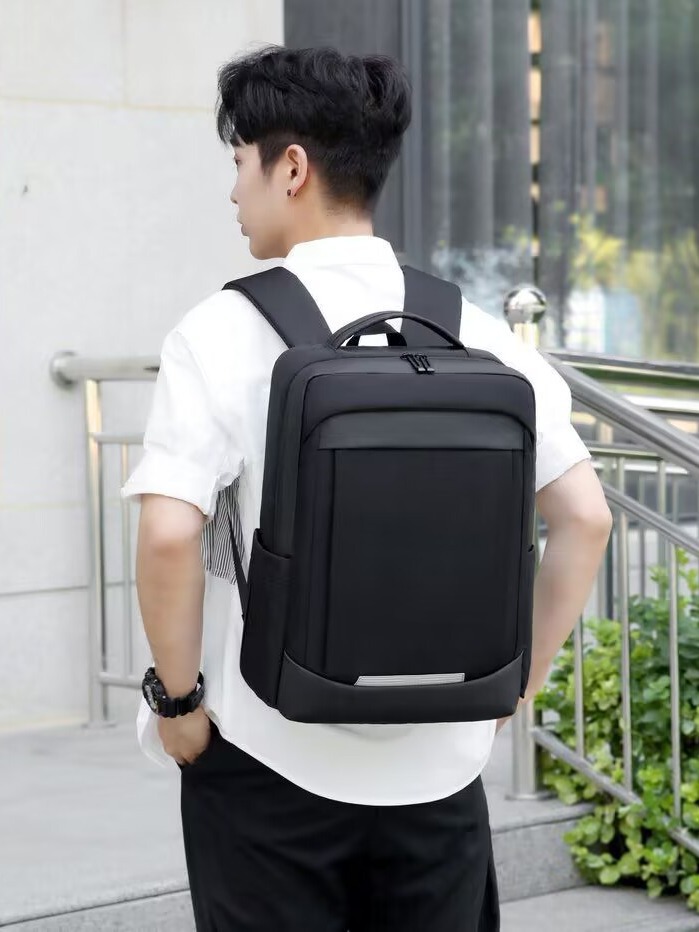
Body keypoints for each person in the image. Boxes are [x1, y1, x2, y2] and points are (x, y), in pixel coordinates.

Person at [122, 45, 612, 932]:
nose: (233, 192)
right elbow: (584, 517)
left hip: (268, 758)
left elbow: (167, 535)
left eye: (239, 164)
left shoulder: (218, 332)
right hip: (440, 771)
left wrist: (180, 706)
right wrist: (514, 687)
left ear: (291, 168)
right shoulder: (475, 330)